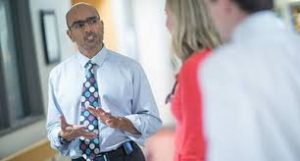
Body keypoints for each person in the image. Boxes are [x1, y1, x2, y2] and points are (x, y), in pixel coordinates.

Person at [46, 3, 162, 161]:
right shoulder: (57, 76)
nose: (88, 29)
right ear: (70, 34)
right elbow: (53, 128)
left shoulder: (130, 68)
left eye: (92, 21)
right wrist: (63, 135)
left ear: (101, 25)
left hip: (125, 157)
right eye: (79, 25)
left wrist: (121, 122)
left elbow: (153, 122)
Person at [199, 0, 300, 161]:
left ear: (225, 4)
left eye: (209, 7)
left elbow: (230, 151)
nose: (211, 18)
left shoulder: (223, 65)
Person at [164, 0, 220, 160]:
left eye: (168, 15)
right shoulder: (209, 59)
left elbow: (196, 143)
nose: (166, 24)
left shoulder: (195, 67)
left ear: (183, 19)